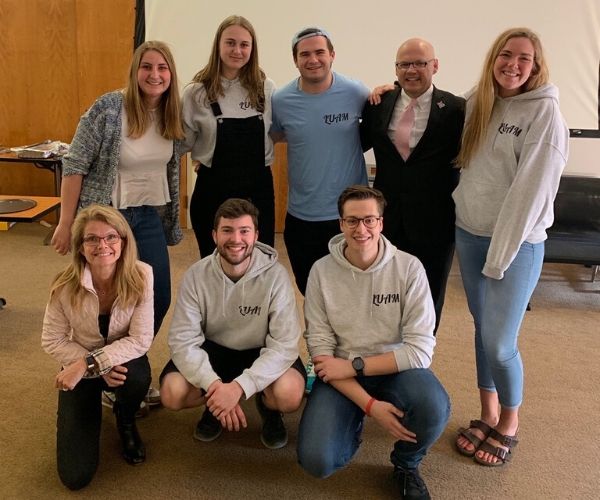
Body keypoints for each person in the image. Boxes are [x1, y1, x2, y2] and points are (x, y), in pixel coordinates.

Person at [453, 28, 568, 466]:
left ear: (537, 66)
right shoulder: (480, 101)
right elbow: (435, 112)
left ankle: (509, 423)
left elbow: (529, 197)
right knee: (482, 330)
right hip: (470, 233)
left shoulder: (545, 116)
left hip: (516, 246)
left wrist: (499, 259)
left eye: (525, 58)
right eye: (506, 55)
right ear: (493, 58)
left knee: (501, 342)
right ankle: (487, 412)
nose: (514, 65)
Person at [298, 186, 450, 500]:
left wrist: (355, 365)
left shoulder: (409, 268)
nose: (361, 229)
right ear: (340, 224)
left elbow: (420, 350)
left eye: (369, 220)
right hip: (341, 376)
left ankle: (406, 464)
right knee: (317, 461)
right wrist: (370, 406)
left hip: (395, 368)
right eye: (352, 221)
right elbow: (322, 354)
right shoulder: (320, 273)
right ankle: (353, 421)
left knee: (433, 407)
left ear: (381, 223)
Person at [51, 40, 185, 336]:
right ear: (134, 71)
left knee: (157, 295)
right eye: (146, 67)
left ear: (171, 74)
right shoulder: (109, 108)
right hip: (106, 218)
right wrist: (65, 222)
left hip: (149, 216)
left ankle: (127, 359)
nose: (155, 75)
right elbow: (74, 165)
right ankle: (95, 359)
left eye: (162, 68)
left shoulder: (174, 114)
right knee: (102, 295)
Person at [160, 198, 306, 449]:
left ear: (256, 235)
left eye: (244, 231)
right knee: (172, 394)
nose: (236, 239)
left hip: (260, 350)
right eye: (227, 230)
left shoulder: (276, 276)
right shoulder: (196, 275)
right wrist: (215, 386)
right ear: (214, 235)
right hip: (214, 350)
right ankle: (215, 404)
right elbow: (183, 340)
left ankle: (266, 406)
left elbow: (284, 345)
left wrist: (241, 387)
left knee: (289, 394)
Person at [42, 205, 154, 490]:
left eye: (111, 237)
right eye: (91, 239)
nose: (102, 245)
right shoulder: (64, 285)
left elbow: (141, 339)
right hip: (82, 362)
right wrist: (90, 365)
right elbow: (52, 340)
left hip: (120, 359)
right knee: (75, 476)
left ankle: (125, 418)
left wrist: (90, 364)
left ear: (123, 242)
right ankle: (86, 409)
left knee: (138, 376)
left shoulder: (142, 275)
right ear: (80, 247)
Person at [361, 38, 465, 333]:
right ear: (396, 68)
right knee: (383, 291)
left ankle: (421, 358)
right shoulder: (379, 104)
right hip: (387, 219)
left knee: (429, 294)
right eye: (404, 64)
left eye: (420, 63)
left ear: (435, 65)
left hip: (436, 220)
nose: (412, 70)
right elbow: (356, 142)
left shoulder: (456, 109)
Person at [271, 27, 369, 295]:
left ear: (332, 55)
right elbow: (276, 135)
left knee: (354, 293)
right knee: (311, 293)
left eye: (319, 52)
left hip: (349, 216)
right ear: (295, 60)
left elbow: (382, 113)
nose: (313, 59)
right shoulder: (281, 100)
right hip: (302, 218)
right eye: (305, 54)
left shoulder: (355, 91)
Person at [184, 15, 276, 257]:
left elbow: (281, 131)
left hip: (258, 191)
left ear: (252, 49)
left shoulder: (266, 88)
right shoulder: (197, 93)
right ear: (218, 45)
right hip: (212, 191)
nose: (237, 50)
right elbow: (181, 142)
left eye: (244, 44)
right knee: (214, 265)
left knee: (260, 263)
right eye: (230, 43)